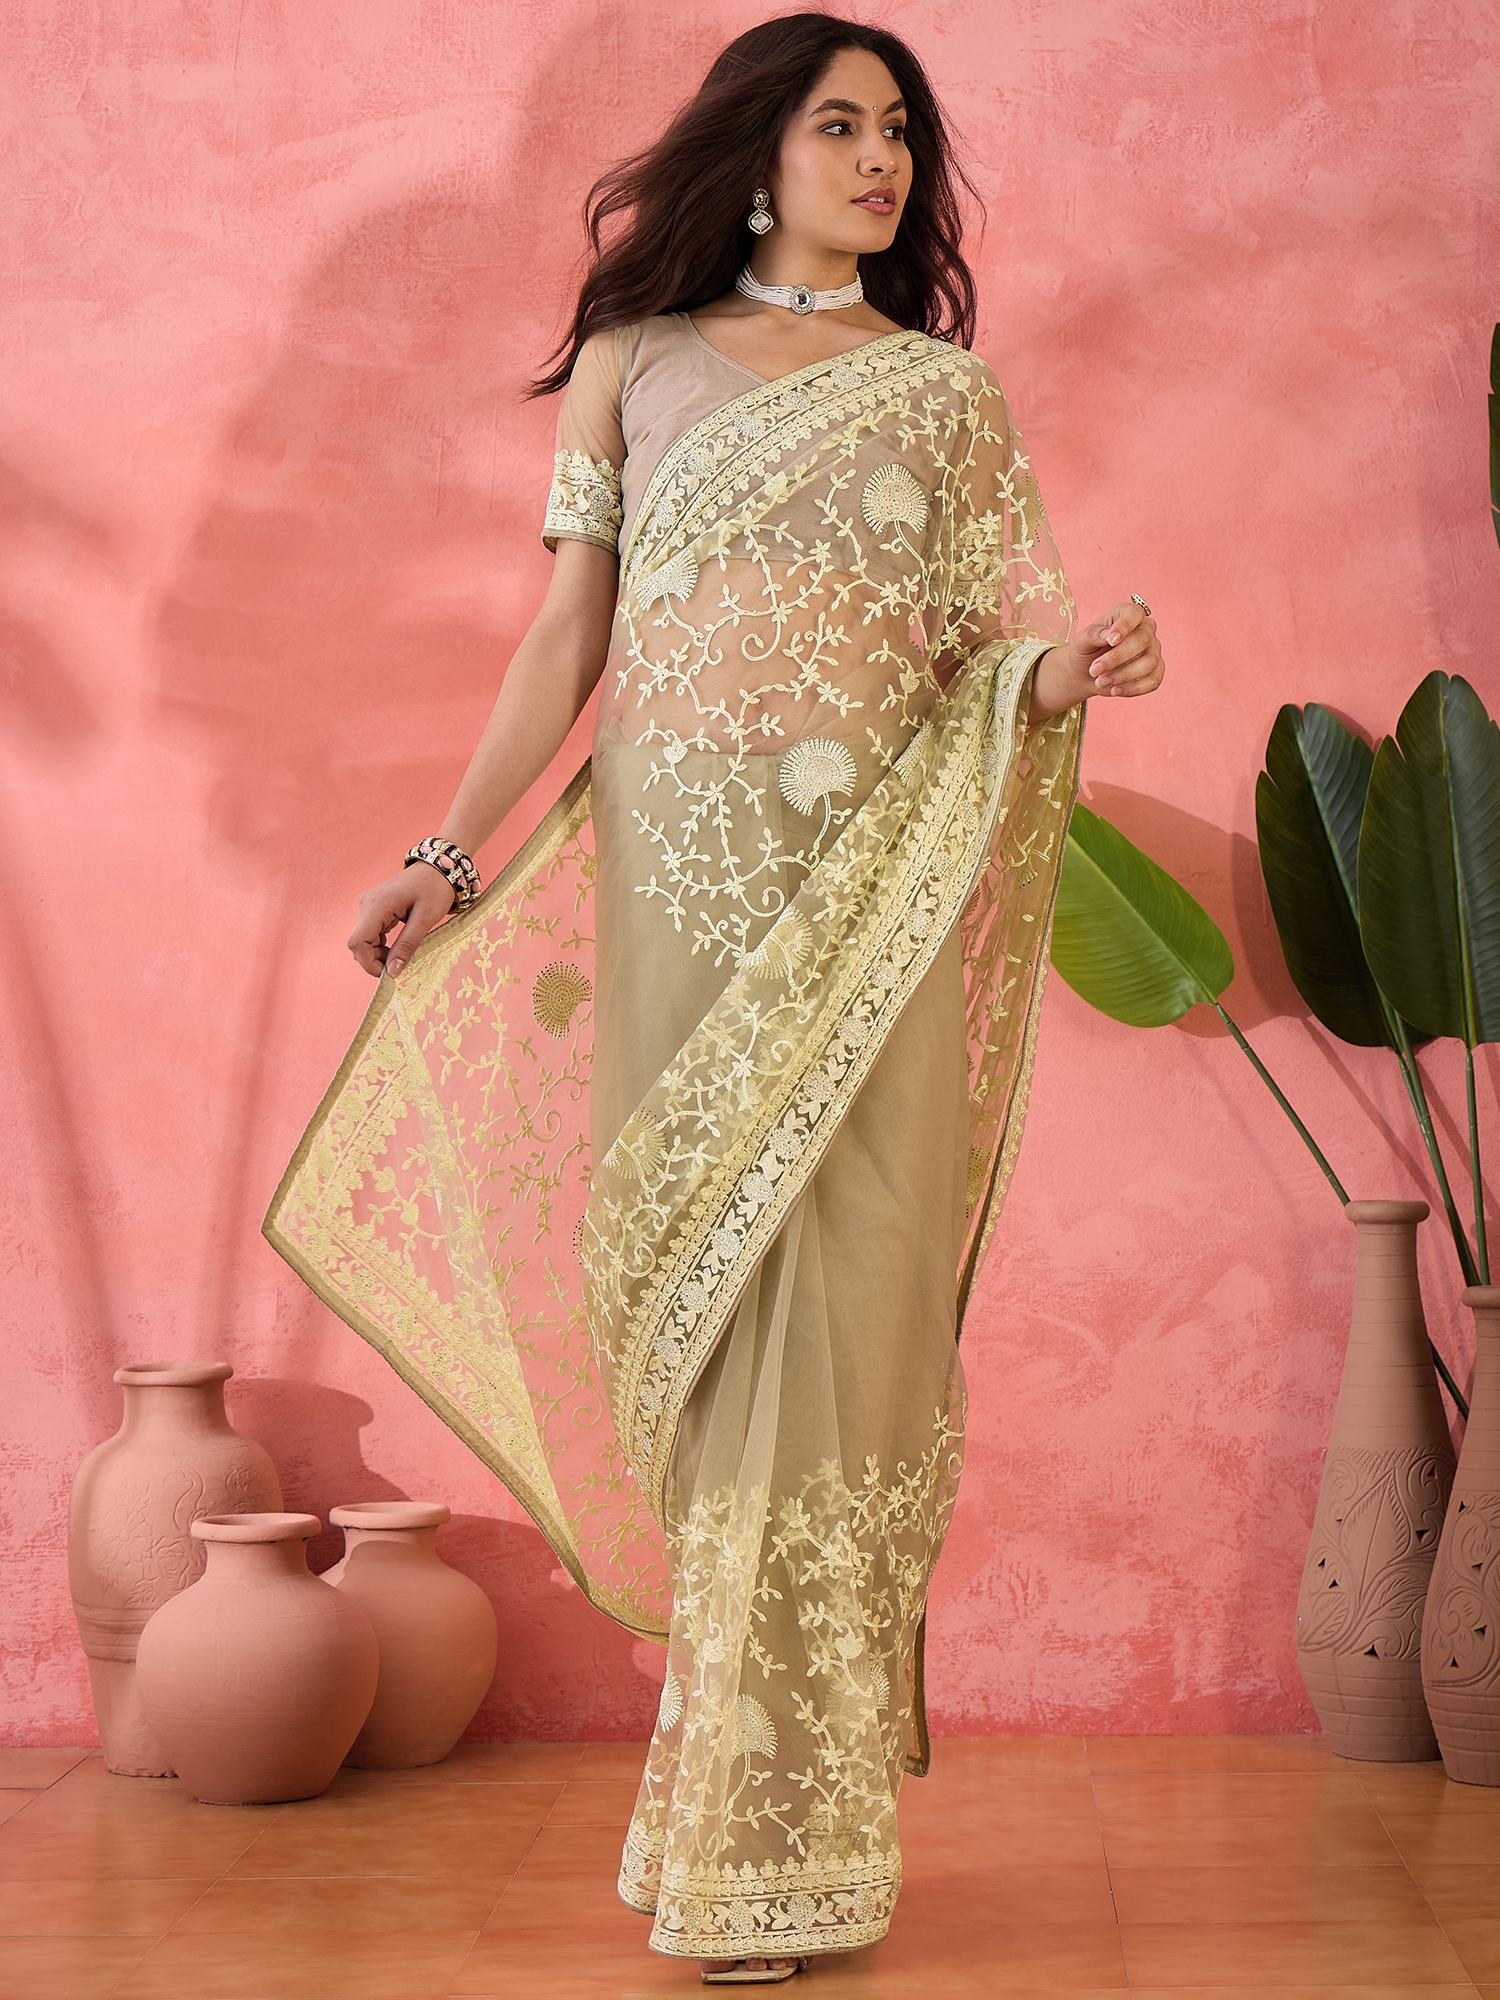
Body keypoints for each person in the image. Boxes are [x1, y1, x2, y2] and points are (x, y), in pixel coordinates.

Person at [268, 14, 1164, 1985]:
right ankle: (735, 1823)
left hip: (867, 907)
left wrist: (1068, 669)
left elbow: (988, 652)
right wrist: (449, 849)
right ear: (754, 156)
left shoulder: (942, 396)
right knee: (711, 1316)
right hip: (680, 882)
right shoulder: (635, 361)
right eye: (842, 124)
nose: (883, 159)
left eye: (901, 131)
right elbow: (567, 636)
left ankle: (777, 1839)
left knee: (844, 1339)